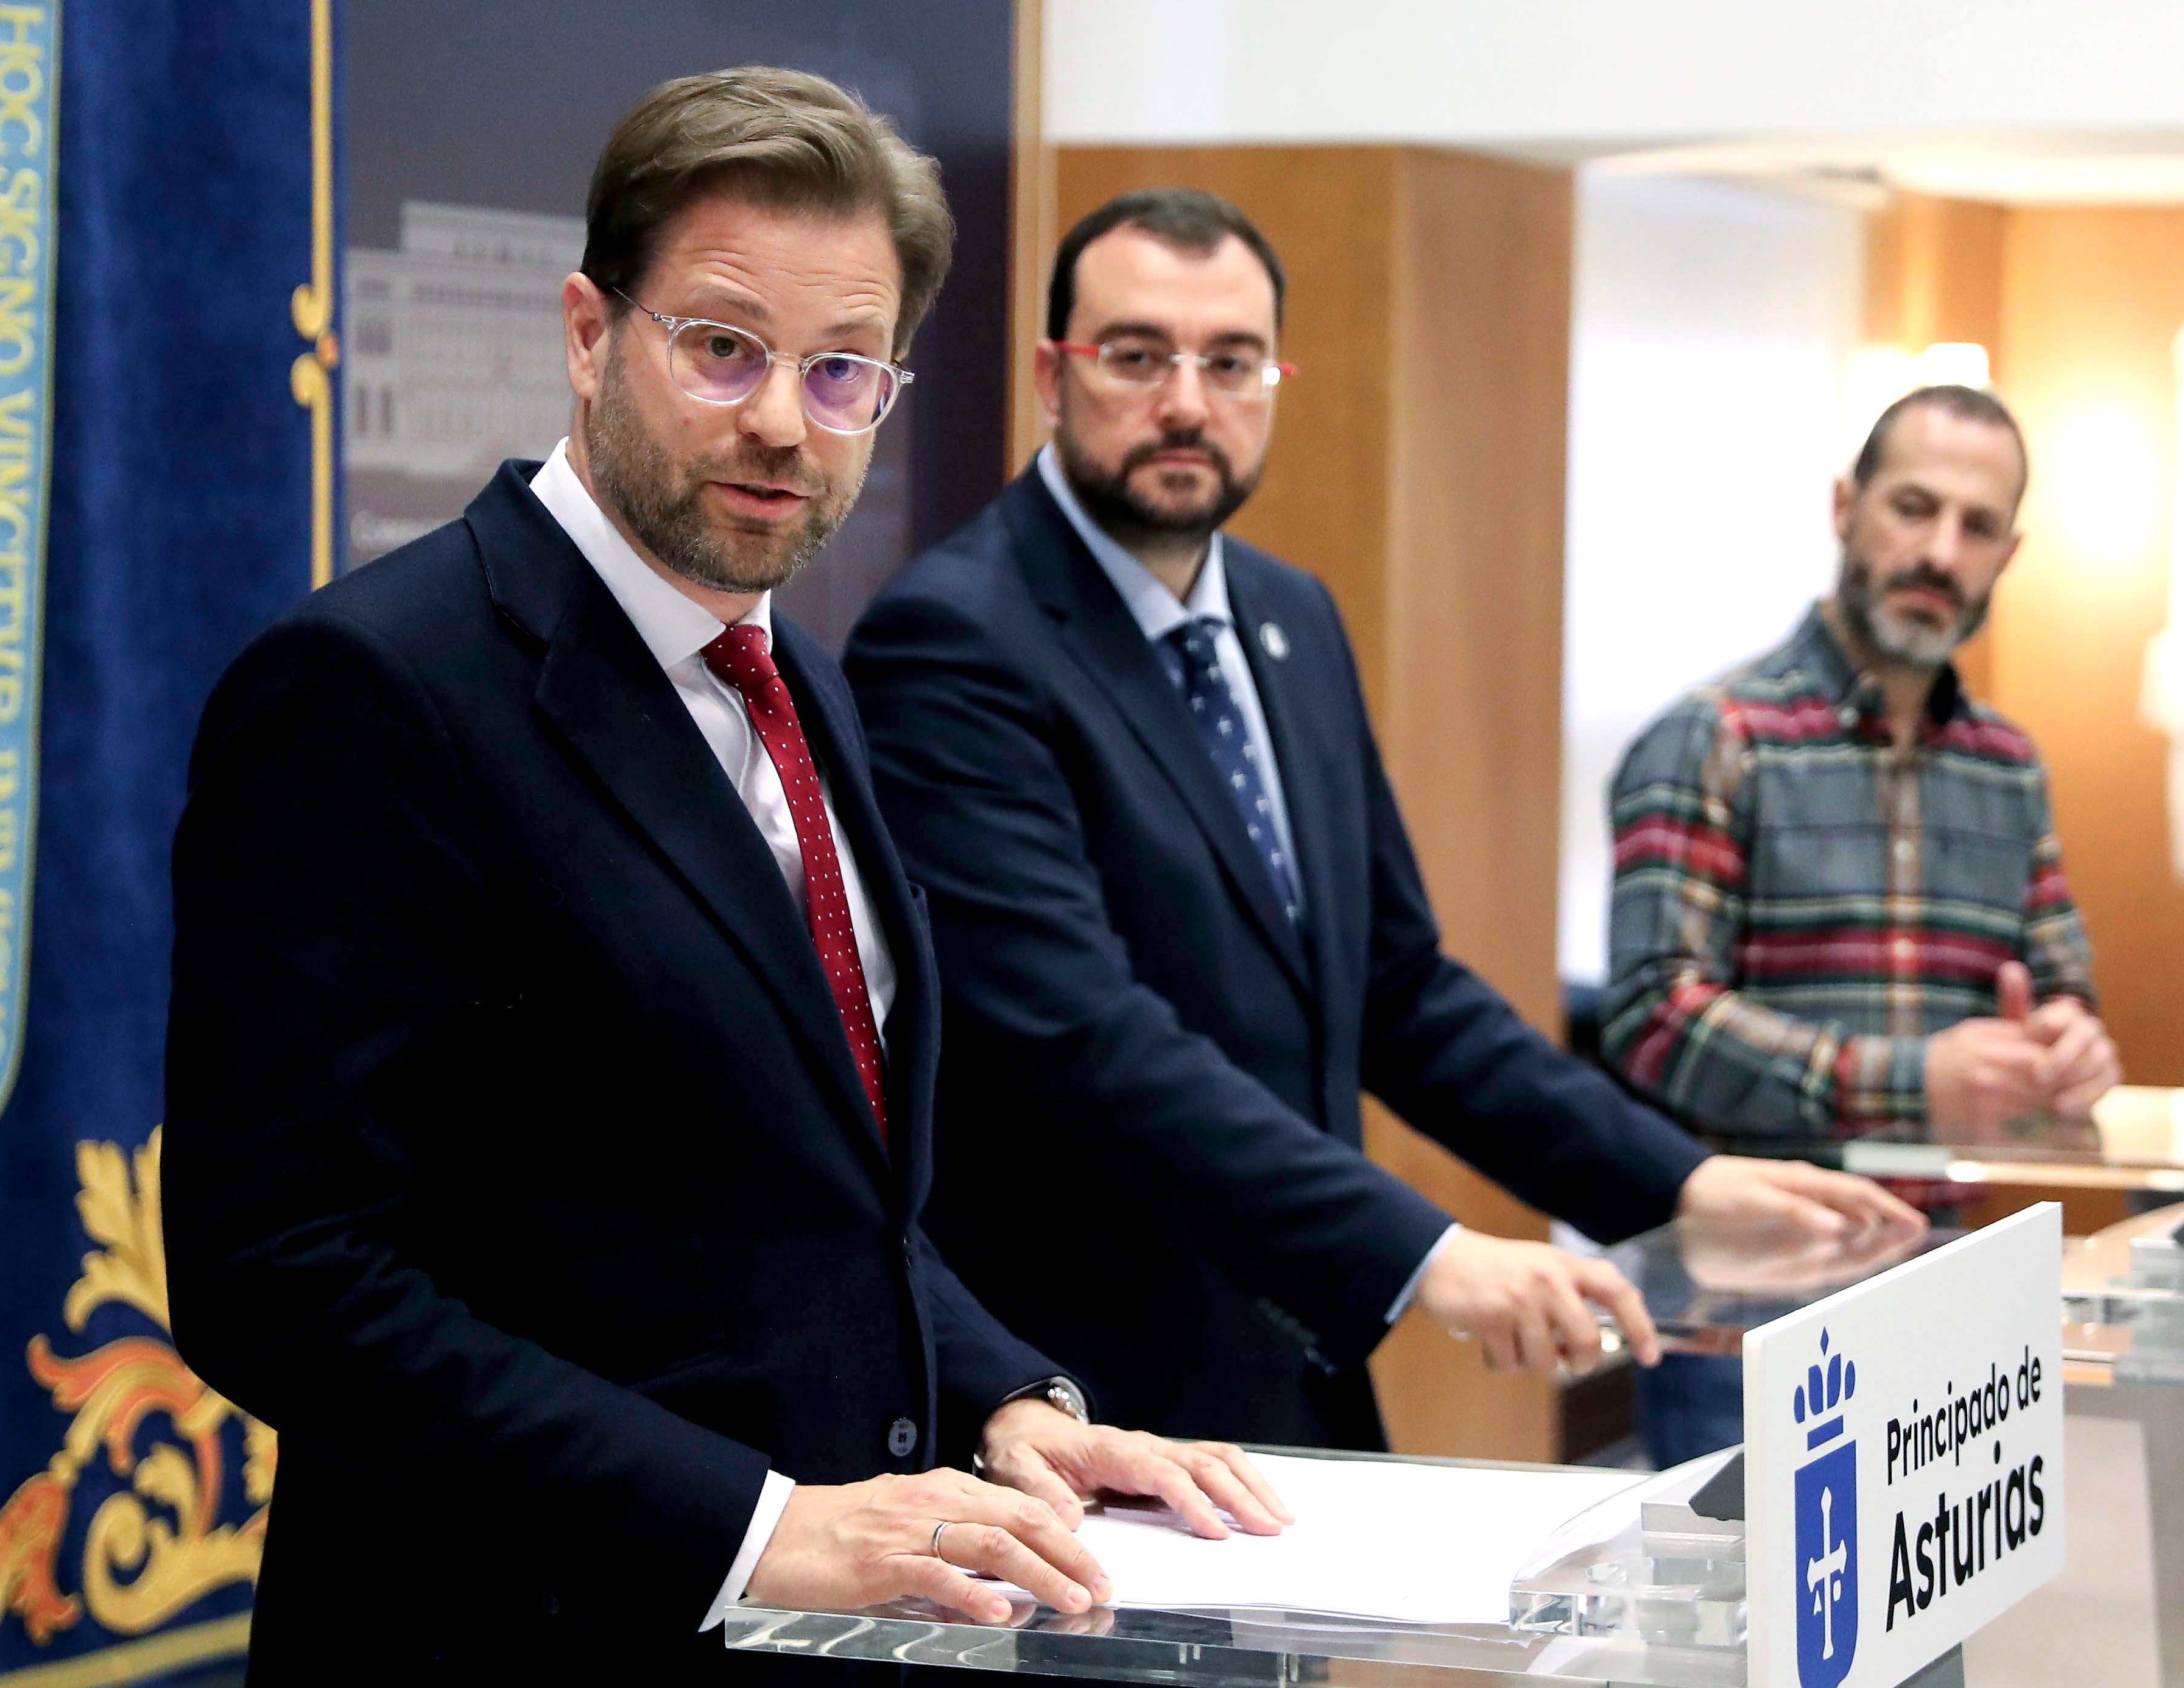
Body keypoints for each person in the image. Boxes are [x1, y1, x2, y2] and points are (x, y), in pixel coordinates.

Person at [163, 74, 1287, 1683]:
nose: (781, 419)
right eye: (722, 347)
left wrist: (1010, 1398)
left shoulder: (798, 677)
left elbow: (815, 1194)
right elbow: (280, 1277)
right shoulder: (373, 686)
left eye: (843, 373)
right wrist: (761, 1528)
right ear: (585, 331)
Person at [844, 188, 1916, 1454]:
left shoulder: (1292, 621)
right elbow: (1087, 1039)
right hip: (1078, 1395)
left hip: (1293, 1367)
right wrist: (1426, 1255)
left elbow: (1402, 992)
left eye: (1232, 362)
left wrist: (1675, 1182)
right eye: (1136, 357)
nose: (1187, 403)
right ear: (1051, 376)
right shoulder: (954, 642)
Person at [1600, 382, 2121, 1462]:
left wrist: (2068, 1045)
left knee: (1944, 1632)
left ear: (2007, 555)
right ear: (1847, 507)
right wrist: (1909, 1080)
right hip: (1747, 1302)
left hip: (1951, 1295)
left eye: (1977, 528)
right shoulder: (1714, 740)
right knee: (1745, 1632)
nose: (1940, 551)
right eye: (1913, 509)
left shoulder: (2009, 768)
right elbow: (1655, 1020)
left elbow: (2063, 982)